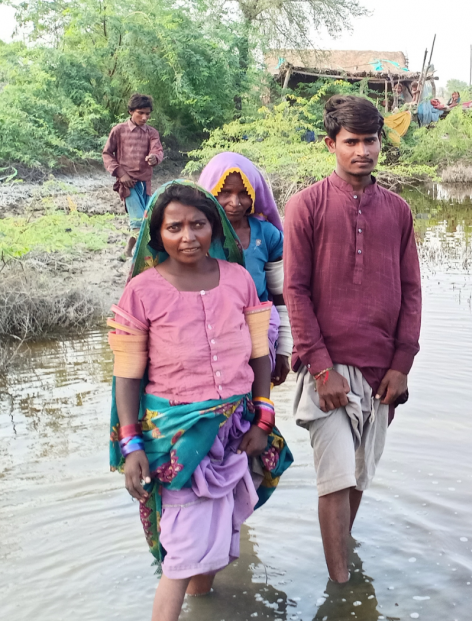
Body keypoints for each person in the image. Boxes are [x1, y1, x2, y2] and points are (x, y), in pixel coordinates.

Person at [108, 180, 293, 621]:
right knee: (181, 557)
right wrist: (131, 446)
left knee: (214, 541)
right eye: (174, 227)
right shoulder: (142, 292)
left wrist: (262, 418)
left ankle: (203, 606)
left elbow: (258, 355)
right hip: (176, 437)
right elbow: (127, 375)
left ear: (215, 228)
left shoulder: (239, 280)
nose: (187, 236)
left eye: (198, 224)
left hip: (234, 430)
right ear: (157, 234)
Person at [283, 95, 422, 584]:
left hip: (381, 371)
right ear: (331, 145)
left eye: (370, 140)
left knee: (359, 476)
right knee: (336, 476)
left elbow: (411, 292)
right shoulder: (305, 206)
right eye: (351, 142)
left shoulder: (399, 212)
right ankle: (340, 590)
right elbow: (294, 291)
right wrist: (320, 369)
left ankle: (341, 560)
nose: (362, 150)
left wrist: (402, 364)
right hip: (327, 370)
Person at [198, 153, 292, 386]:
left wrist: (284, 349)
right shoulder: (196, 236)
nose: (235, 202)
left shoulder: (267, 235)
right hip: (208, 337)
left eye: (243, 194)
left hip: (259, 338)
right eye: (225, 193)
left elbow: (280, 295)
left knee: (254, 407)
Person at [102, 93, 164, 258]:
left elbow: (157, 150)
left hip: (146, 184)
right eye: (140, 113)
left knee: (147, 220)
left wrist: (154, 158)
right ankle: (141, 257)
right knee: (137, 222)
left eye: (148, 114)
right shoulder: (119, 130)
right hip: (128, 185)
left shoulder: (151, 132)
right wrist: (121, 174)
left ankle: (128, 251)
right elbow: (107, 154)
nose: (144, 117)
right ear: (131, 111)